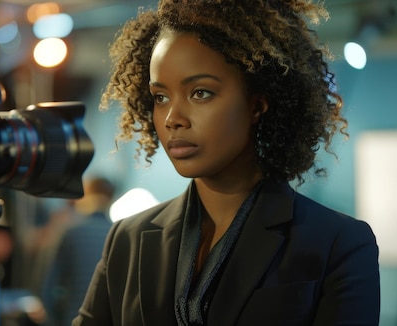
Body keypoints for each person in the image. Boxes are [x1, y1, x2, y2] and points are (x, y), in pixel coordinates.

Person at [73, 0, 380, 325]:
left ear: (257, 105)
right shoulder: (127, 239)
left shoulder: (337, 243)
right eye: (160, 97)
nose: (173, 118)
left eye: (200, 93)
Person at [42, 177, 115, 326]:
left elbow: (48, 288)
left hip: (73, 318)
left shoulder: (72, 233)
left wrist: (55, 320)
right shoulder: (120, 235)